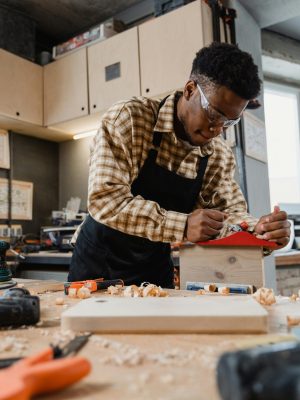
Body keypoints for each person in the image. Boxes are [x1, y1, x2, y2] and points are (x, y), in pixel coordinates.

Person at [68, 42, 290, 288]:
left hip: (153, 266)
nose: (217, 130)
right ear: (190, 89)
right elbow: (106, 200)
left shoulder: (218, 155)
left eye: (229, 123)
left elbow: (229, 217)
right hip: (98, 262)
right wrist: (183, 225)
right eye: (214, 115)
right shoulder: (130, 119)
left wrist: (259, 232)